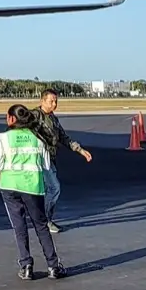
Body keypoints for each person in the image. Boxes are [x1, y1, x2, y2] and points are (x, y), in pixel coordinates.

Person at [0, 104, 66, 280]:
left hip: (10, 186)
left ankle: (26, 265)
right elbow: (46, 166)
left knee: (19, 227)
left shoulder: (3, 138)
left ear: (11, 119)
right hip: (32, 187)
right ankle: (53, 266)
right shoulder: (38, 139)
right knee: (41, 226)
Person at [30, 89, 93, 234]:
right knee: (54, 188)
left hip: (49, 159)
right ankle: (44, 220)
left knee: (46, 191)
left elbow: (63, 138)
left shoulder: (53, 119)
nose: (55, 104)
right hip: (37, 159)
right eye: (51, 101)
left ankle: (43, 219)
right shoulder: (34, 116)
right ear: (42, 101)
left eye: (56, 101)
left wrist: (81, 150)